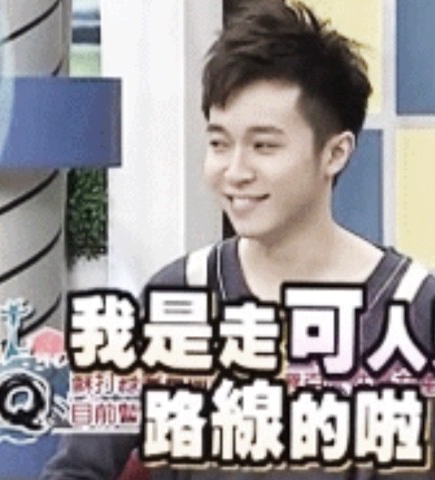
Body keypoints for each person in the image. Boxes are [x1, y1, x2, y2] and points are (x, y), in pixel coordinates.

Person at [41, 1, 435, 479]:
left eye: (264, 146)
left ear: (334, 153)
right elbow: (76, 469)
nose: (235, 171)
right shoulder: (176, 297)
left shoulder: (412, 309)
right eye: (219, 143)